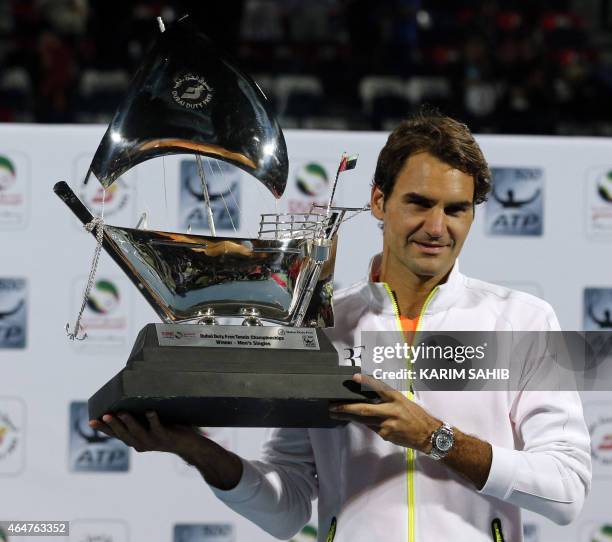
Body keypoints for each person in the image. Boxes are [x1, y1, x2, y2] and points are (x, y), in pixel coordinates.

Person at [91, 112, 592, 542]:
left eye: (456, 209)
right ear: (378, 202)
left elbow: (567, 490)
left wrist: (436, 438)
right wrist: (196, 449)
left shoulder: (524, 320)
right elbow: (287, 506)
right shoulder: (321, 323)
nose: (438, 227)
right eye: (419, 203)